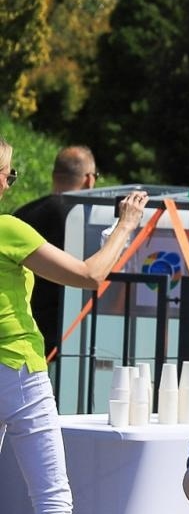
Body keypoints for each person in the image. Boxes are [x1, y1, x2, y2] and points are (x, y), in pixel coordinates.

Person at [0, 138, 146, 514]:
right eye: (7, 173)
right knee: (52, 496)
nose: (9, 182)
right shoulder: (8, 230)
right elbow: (88, 275)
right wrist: (126, 226)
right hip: (17, 369)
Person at [11, 145, 96, 359]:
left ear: (53, 176)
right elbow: (90, 274)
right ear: (89, 179)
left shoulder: (23, 214)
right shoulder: (87, 220)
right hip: (71, 335)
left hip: (24, 330)